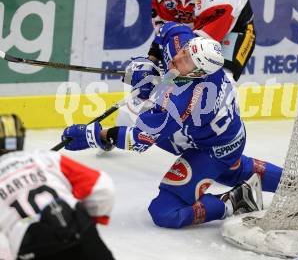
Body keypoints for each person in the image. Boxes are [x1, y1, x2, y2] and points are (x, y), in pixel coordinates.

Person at [62, 22, 282, 228]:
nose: (177, 56)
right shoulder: (187, 49)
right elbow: (167, 29)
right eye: (184, 49)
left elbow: (140, 140)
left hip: (211, 149)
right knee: (231, 170)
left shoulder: (186, 101)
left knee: (165, 211)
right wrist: (152, 61)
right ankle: (294, 184)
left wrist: (94, 135)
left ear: (198, 73)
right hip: (220, 135)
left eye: (185, 59)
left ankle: (233, 202)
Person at [118, 0, 255, 126]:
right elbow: (165, 31)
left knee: (224, 80)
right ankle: (124, 123)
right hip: (195, 27)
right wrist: (149, 63)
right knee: (166, 71)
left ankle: (223, 127)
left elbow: (196, 53)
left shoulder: (219, 0)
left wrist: (166, 76)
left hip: (235, 31)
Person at [0, 114, 116, 260]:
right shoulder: (47, 158)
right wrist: (87, 221)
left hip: (33, 248)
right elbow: (103, 187)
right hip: (79, 232)